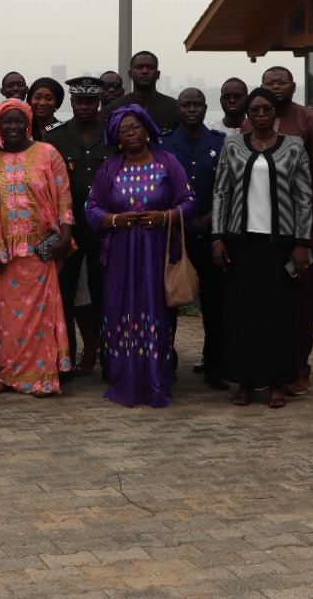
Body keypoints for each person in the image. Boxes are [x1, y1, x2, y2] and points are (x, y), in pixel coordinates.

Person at [85, 104, 194, 408]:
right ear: (116, 136)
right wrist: (115, 220)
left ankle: (156, 377)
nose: (131, 133)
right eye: (124, 129)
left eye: (136, 127)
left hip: (156, 252)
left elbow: (189, 201)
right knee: (119, 308)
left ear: (147, 130)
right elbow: (90, 208)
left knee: (155, 309)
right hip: (119, 253)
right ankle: (123, 375)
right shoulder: (109, 168)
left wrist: (164, 216)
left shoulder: (168, 162)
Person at [211, 89, 313, 410]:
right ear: (247, 115)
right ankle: (245, 381)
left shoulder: (294, 146)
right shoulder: (233, 145)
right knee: (242, 314)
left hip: (280, 244)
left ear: (275, 114)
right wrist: (217, 237)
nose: (260, 115)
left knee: (278, 316)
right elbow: (221, 192)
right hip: (240, 242)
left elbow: (304, 197)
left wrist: (301, 243)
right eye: (254, 110)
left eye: (266, 109)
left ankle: (277, 382)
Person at [0, 99, 74, 397]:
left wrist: (65, 236)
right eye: (7, 121)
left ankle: (42, 376)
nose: (14, 126)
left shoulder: (47, 153)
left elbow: (64, 197)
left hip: (41, 251)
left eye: (19, 121)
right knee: (6, 319)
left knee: (41, 318)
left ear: (28, 123)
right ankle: (6, 374)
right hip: (4, 253)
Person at [258, 65, 313, 396]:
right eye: (269, 82)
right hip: (261, 229)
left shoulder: (311, 121)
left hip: (302, 226)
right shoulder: (253, 121)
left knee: (302, 300)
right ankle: (268, 366)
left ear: (293, 86)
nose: (275, 86)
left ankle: (299, 369)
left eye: (281, 82)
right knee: (267, 300)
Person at [44, 77, 115, 373]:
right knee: (65, 294)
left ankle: (108, 358)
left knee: (105, 294)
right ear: (71, 102)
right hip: (68, 230)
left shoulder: (112, 134)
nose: (84, 106)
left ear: (98, 102)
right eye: (79, 101)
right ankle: (66, 360)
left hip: (105, 229)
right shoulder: (55, 137)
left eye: (90, 101)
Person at [163, 88, 228, 390]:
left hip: (210, 236)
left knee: (215, 305)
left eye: (197, 105)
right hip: (173, 236)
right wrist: (180, 220)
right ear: (177, 109)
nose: (192, 109)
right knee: (168, 302)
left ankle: (215, 365)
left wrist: (208, 220)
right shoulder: (163, 144)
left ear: (205, 108)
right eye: (186, 105)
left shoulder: (220, 143)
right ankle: (167, 362)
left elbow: (227, 188)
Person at [106, 51, 179, 132]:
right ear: (130, 74)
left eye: (150, 67)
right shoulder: (114, 110)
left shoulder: (175, 109)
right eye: (139, 67)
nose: (145, 71)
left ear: (158, 74)